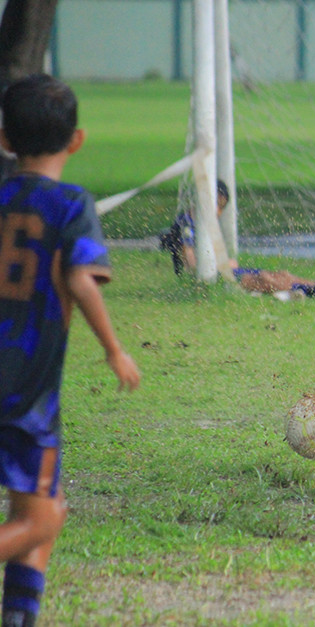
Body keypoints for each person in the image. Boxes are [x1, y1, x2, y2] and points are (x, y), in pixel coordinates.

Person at [0, 73, 141, 627]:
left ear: (6, 139)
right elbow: (82, 281)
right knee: (44, 517)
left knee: (33, 506)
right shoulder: (71, 204)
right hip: (28, 394)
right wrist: (114, 349)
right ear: (76, 140)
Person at [162, 181, 315, 299]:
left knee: (282, 275)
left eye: (221, 208)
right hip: (212, 281)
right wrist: (221, 265)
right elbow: (191, 264)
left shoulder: (201, 223)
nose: (217, 212)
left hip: (223, 274)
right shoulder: (187, 224)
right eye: (216, 205)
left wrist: (225, 264)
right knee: (267, 279)